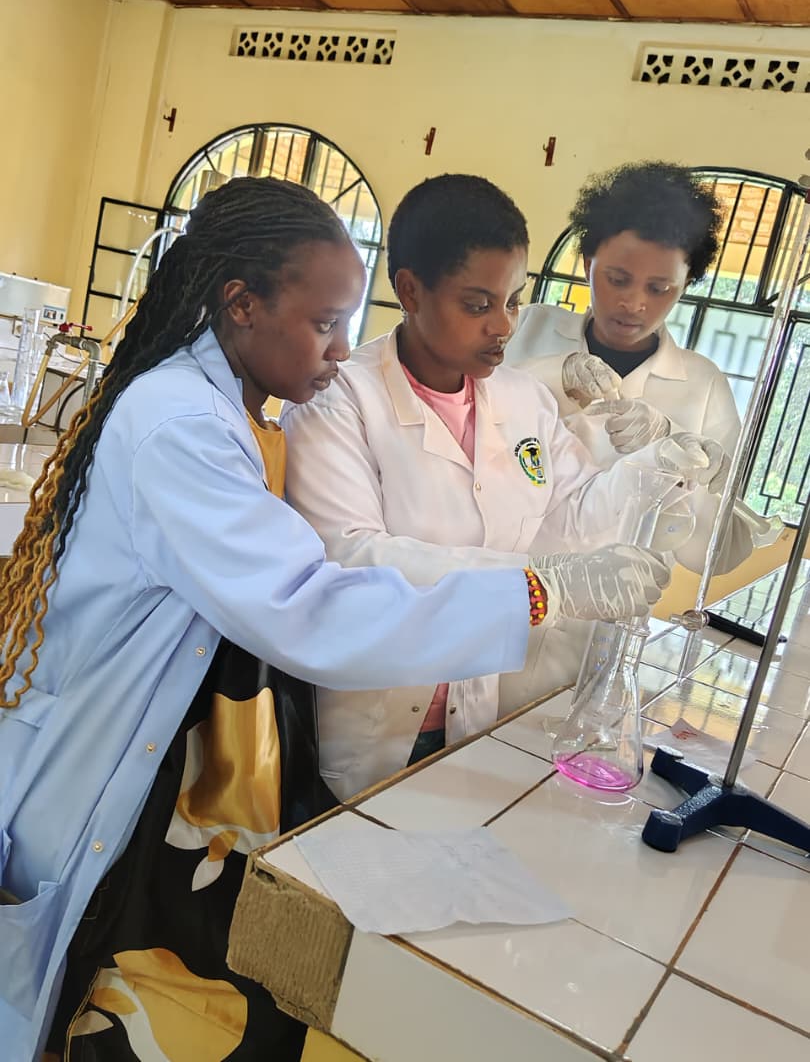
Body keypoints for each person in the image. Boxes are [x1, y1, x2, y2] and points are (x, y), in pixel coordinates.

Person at [0, 176, 671, 1062]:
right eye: (324, 323)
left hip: (168, 757)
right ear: (241, 305)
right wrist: (541, 591)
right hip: (104, 759)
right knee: (92, 998)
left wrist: (630, 481)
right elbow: (310, 605)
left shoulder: (224, 406)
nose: (342, 348)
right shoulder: (185, 428)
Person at [281, 174, 727, 800]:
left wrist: (655, 465)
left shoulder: (521, 400)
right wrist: (542, 584)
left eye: (514, 301)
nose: (504, 326)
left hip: (475, 710)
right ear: (409, 289)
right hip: (369, 718)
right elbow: (353, 555)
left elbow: (571, 513)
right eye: (477, 304)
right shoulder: (339, 400)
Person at [505, 160, 767, 573]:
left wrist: (674, 453)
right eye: (617, 278)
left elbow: (717, 556)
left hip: (608, 618)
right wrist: (557, 378)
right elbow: (465, 418)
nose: (635, 303)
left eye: (659, 288)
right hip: (497, 582)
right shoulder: (527, 328)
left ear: (686, 283)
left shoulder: (703, 386)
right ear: (588, 259)